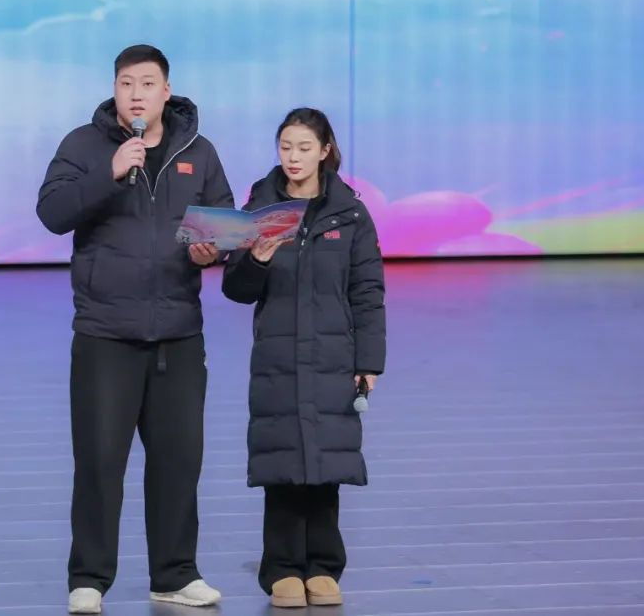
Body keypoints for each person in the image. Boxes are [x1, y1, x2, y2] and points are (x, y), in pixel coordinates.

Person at [36, 44, 233, 614]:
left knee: (179, 461)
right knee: (100, 461)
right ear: (115, 90)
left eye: (148, 83)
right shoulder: (84, 145)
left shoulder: (199, 151)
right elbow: (52, 213)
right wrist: (110, 172)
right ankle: (89, 578)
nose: (137, 94)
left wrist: (212, 252)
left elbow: (223, 224)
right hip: (106, 331)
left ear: (166, 92)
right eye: (127, 83)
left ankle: (175, 573)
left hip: (178, 330)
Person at [221, 108, 386, 608]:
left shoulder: (350, 214)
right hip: (277, 356)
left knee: (326, 463)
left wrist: (369, 362)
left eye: (304, 148)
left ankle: (323, 566)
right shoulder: (259, 207)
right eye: (286, 147)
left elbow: (367, 291)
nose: (293, 157)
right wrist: (257, 258)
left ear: (325, 151)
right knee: (282, 461)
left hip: (334, 355)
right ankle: (282, 568)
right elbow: (235, 289)